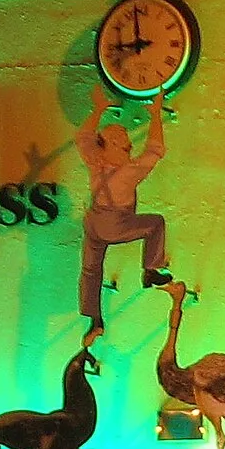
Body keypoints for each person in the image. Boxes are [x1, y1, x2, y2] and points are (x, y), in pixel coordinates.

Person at [75, 85, 174, 345]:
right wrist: (155, 115)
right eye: (122, 134)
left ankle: (94, 320)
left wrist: (97, 109)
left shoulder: (95, 161)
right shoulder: (128, 172)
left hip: (93, 223)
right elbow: (155, 150)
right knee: (155, 223)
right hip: (114, 223)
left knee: (91, 270)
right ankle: (150, 269)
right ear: (118, 144)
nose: (128, 137)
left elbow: (84, 136)